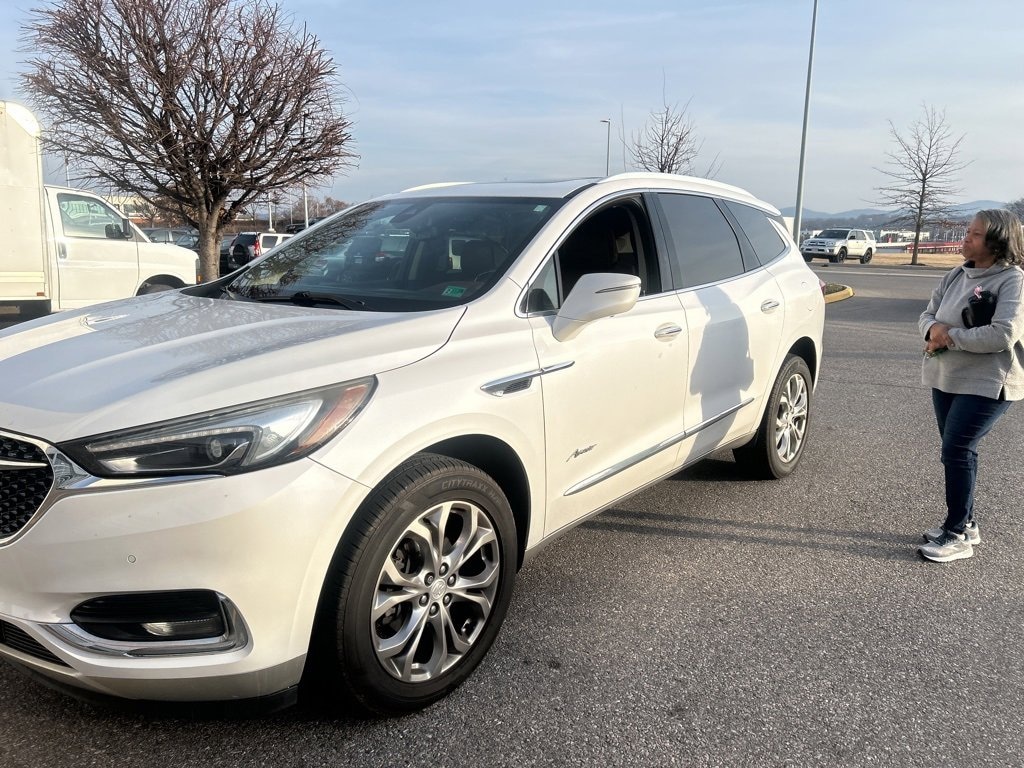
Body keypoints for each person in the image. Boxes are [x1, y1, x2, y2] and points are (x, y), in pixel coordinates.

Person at [918, 208, 1024, 562]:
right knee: (959, 451)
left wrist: (950, 338)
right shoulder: (955, 274)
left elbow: (1004, 333)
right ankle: (968, 522)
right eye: (968, 231)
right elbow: (927, 313)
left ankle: (957, 532)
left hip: (989, 380)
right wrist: (932, 330)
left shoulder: (1013, 280)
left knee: (957, 449)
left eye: (975, 234)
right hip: (947, 376)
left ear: (996, 242)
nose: (966, 238)